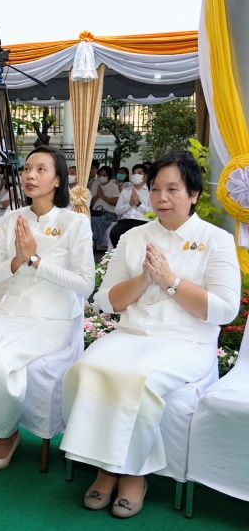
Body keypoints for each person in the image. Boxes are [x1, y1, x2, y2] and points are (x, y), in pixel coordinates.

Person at [60, 150, 240, 518]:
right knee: (86, 368)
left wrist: (170, 281)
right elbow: (106, 302)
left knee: (137, 378)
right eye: (155, 188)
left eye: (173, 189)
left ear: (193, 195)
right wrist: (144, 278)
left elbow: (225, 310)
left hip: (187, 341)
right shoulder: (135, 237)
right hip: (133, 334)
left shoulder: (216, 239)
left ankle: (130, 473)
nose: (161, 198)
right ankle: (104, 464)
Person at [0, 146, 95, 471]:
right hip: (9, 311)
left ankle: (5, 435)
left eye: (41, 169)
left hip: (52, 318)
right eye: (27, 169)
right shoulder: (11, 219)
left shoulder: (75, 223)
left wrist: (36, 260)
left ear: (57, 180)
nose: (30, 175)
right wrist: (18, 259)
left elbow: (85, 285)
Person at [109, 164, 152, 248]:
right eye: (134, 173)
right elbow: (117, 211)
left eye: (139, 173)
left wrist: (138, 204)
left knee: (133, 234)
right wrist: (130, 204)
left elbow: (153, 214)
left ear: (145, 176)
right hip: (126, 220)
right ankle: (119, 254)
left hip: (142, 220)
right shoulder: (126, 191)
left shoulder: (150, 192)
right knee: (114, 233)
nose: (136, 175)